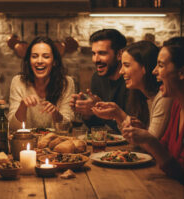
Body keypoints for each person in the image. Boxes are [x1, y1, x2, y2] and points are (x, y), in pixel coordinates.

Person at [122, 37, 184, 183]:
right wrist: (144, 133)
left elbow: (179, 172)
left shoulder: (168, 101)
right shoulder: (177, 105)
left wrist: (149, 139)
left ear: (181, 73)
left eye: (161, 65)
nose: (154, 71)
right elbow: (165, 149)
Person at [92, 41, 173, 139]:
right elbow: (134, 138)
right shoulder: (139, 95)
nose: (121, 71)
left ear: (144, 68)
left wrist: (119, 114)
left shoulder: (163, 97)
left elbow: (150, 142)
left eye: (126, 65)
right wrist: (117, 116)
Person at [8, 36, 75, 130]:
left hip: (55, 142)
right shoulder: (18, 81)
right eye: (34, 56)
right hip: (26, 142)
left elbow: (67, 128)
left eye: (46, 56)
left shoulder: (67, 83)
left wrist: (56, 113)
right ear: (29, 61)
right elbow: (13, 128)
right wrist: (22, 106)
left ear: (54, 61)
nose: (39, 61)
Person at [69, 29, 128, 132]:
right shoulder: (97, 78)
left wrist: (105, 113)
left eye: (102, 53)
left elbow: (134, 127)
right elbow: (97, 126)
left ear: (119, 54)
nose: (96, 60)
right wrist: (87, 113)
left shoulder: (130, 80)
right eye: (94, 53)